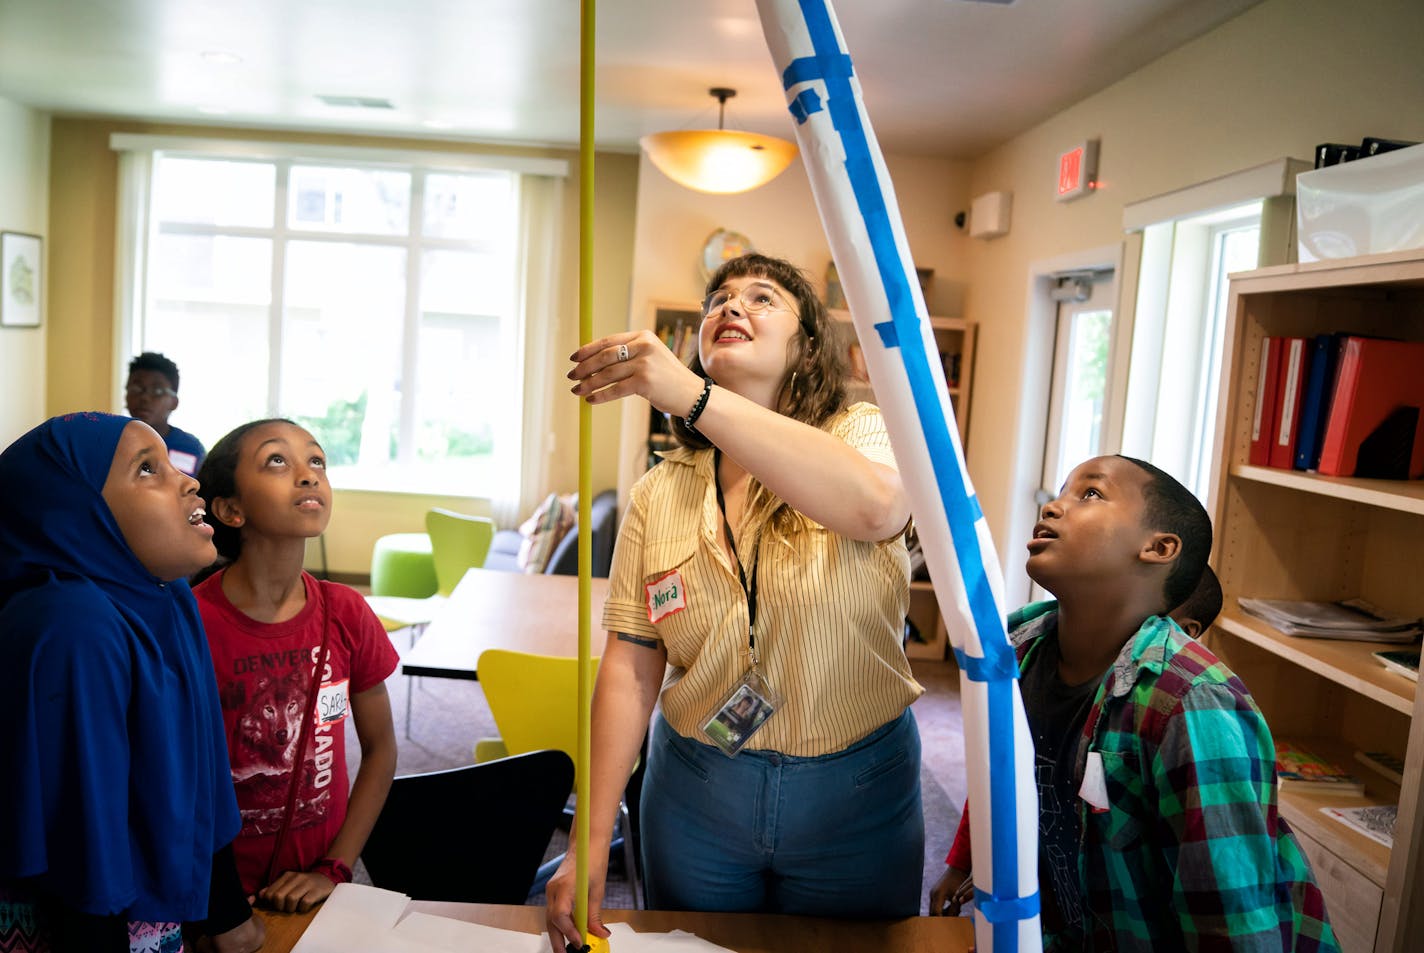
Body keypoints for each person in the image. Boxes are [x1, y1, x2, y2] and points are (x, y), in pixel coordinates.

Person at [546, 253, 924, 950]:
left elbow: (875, 508)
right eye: (717, 298)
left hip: (857, 790)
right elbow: (631, 666)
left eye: (762, 297)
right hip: (696, 788)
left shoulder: (862, 432)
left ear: (806, 344)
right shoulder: (662, 490)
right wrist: (589, 839)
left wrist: (689, 396)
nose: (730, 306)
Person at [931, 455, 1337, 951]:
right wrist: (965, 860)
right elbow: (1007, 782)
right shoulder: (1017, 653)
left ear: (1159, 548)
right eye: (1061, 491)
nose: (1054, 506)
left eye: (1091, 494)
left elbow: (1230, 920)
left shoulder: (1193, 702)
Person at [0, 413, 262, 952]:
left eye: (169, 462)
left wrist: (227, 914)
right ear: (76, 513)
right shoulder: (73, 624)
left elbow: (198, 767)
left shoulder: (166, 597)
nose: (188, 480)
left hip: (142, 905)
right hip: (80, 925)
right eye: (147, 470)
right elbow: (78, 835)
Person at [930, 562, 1227, 918]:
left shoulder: (1179, 710)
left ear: (1184, 629)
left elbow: (1215, 885)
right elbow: (1001, 778)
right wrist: (961, 863)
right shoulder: (1039, 664)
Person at [193, 418, 399, 913]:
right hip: (213, 898)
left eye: (317, 461)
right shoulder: (192, 622)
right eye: (277, 461)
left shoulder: (346, 612)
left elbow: (381, 748)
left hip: (318, 890)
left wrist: (336, 867)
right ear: (230, 509)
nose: (308, 475)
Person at [126, 351, 207, 476]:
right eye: (137, 388)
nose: (145, 398)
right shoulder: (113, 442)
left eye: (157, 390)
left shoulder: (190, 448)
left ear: (174, 402)